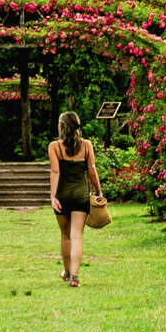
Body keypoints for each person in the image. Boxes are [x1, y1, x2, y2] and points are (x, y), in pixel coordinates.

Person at [48, 111, 102, 287]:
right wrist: (99, 192)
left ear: (61, 127)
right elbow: (92, 171)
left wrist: (53, 196)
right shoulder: (86, 145)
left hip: (63, 195)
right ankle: (74, 277)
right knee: (77, 236)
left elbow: (55, 172)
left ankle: (67, 272)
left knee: (65, 235)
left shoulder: (54, 146)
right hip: (80, 195)